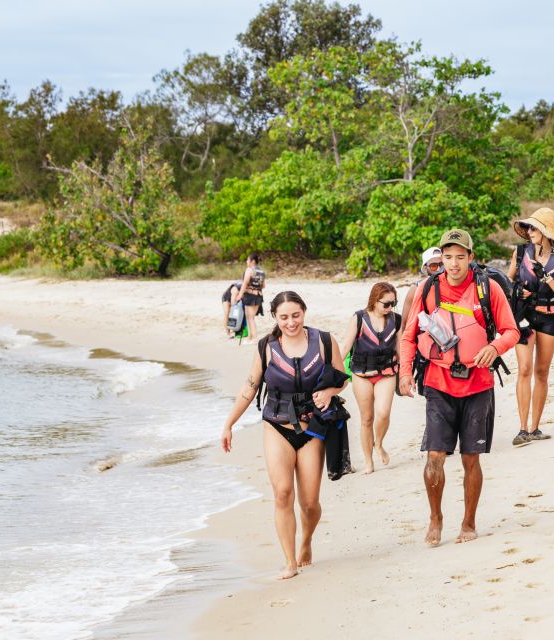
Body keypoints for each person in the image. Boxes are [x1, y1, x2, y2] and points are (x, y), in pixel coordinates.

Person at [398, 229, 519, 547]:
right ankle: (435, 519)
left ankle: (468, 522)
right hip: (438, 381)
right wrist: (405, 374)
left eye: (460, 257)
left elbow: (511, 331)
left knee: (470, 458)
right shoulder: (427, 288)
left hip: (478, 382)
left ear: (471, 258)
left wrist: (495, 348)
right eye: (448, 256)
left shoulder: (487, 289)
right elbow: (408, 335)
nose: (453, 263)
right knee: (434, 456)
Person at [221, 291, 349, 579]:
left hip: (312, 429)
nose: (291, 322)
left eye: (296, 315)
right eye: (284, 317)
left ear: (304, 312)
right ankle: (290, 561)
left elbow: (342, 378)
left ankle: (306, 542)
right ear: (275, 317)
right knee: (282, 494)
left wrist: (329, 391)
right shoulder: (266, 346)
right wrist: (229, 423)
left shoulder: (325, 341)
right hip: (276, 426)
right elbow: (250, 386)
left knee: (309, 503)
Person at [506, 207, 554, 446]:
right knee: (524, 369)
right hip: (524, 315)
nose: (529, 231)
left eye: (534, 227)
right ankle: (522, 429)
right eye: (528, 227)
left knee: (541, 372)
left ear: (546, 231)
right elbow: (507, 283)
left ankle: (535, 428)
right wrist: (517, 291)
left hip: (550, 317)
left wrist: (547, 279)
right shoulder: (521, 252)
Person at [339, 282, 400, 474]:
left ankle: (379, 443)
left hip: (386, 373)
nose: (390, 307)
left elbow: (401, 349)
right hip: (361, 374)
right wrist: (331, 370)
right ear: (375, 300)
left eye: (393, 303)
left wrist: (406, 373)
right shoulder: (358, 318)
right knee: (366, 419)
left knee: (383, 413)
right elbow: (346, 346)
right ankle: (368, 462)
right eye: (387, 303)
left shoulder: (396, 320)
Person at [400, 247, 443, 333]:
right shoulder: (416, 288)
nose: (439, 269)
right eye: (433, 266)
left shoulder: (453, 285)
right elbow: (404, 324)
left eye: (442, 264)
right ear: (425, 267)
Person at [232, 253, 266, 342]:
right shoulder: (261, 271)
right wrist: (255, 288)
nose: (247, 262)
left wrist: (240, 294)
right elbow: (263, 285)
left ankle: (254, 338)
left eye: (247, 260)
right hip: (259, 296)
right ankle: (250, 338)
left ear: (252, 261)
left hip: (250, 297)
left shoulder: (249, 270)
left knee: (250, 318)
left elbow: (245, 283)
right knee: (250, 317)